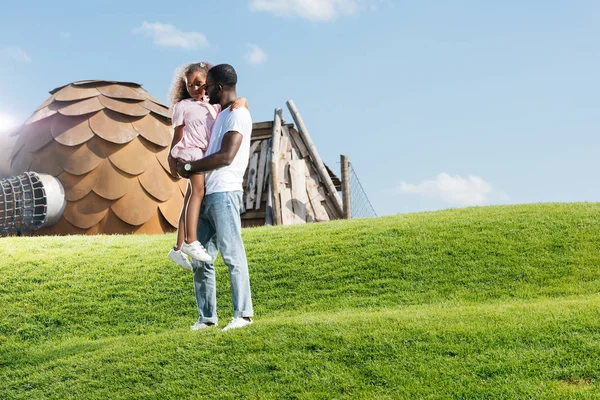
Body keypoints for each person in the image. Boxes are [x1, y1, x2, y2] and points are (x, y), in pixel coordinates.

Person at [176, 64, 254, 331]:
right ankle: (207, 318)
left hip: (225, 192)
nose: (205, 92)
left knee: (232, 255)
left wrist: (188, 168)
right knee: (202, 259)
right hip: (209, 192)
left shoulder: (237, 115)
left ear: (219, 88)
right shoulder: (222, 113)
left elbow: (226, 156)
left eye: (208, 87)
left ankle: (243, 314)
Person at [166, 62, 246, 270]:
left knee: (188, 199)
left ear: (209, 84)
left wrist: (243, 101)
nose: (194, 89)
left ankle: (177, 247)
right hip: (192, 153)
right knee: (197, 194)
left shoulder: (215, 106)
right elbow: (177, 135)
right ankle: (191, 241)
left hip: (203, 155)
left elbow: (233, 105)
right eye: (189, 85)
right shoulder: (183, 106)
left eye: (199, 84)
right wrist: (172, 157)